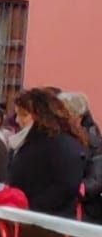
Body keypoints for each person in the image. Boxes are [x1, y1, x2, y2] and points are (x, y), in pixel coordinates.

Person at [6, 88, 87, 216]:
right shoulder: (25, 141)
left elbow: (66, 186)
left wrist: (30, 207)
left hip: (46, 219)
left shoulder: (61, 144)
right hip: (25, 215)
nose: (17, 120)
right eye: (17, 114)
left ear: (40, 115)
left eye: (23, 115)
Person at [59, 92, 102, 219]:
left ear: (78, 117)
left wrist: (77, 190)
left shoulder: (94, 143)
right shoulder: (53, 139)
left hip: (84, 211)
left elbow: (96, 179)